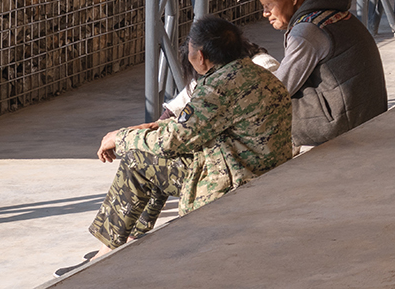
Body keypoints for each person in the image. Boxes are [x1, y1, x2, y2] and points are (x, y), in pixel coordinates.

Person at [90, 16, 291, 249]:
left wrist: (121, 137)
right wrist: (155, 127)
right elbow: (201, 125)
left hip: (236, 182)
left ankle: (105, 251)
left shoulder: (218, 87)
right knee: (152, 156)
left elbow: (173, 142)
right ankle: (131, 238)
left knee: (139, 158)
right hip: (265, 172)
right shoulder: (255, 74)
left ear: (200, 57)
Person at [254, 0, 389, 146]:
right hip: (367, 112)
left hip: (344, 123)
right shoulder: (331, 12)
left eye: (268, 4)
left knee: (257, 107)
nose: (265, 13)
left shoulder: (306, 30)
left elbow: (279, 89)